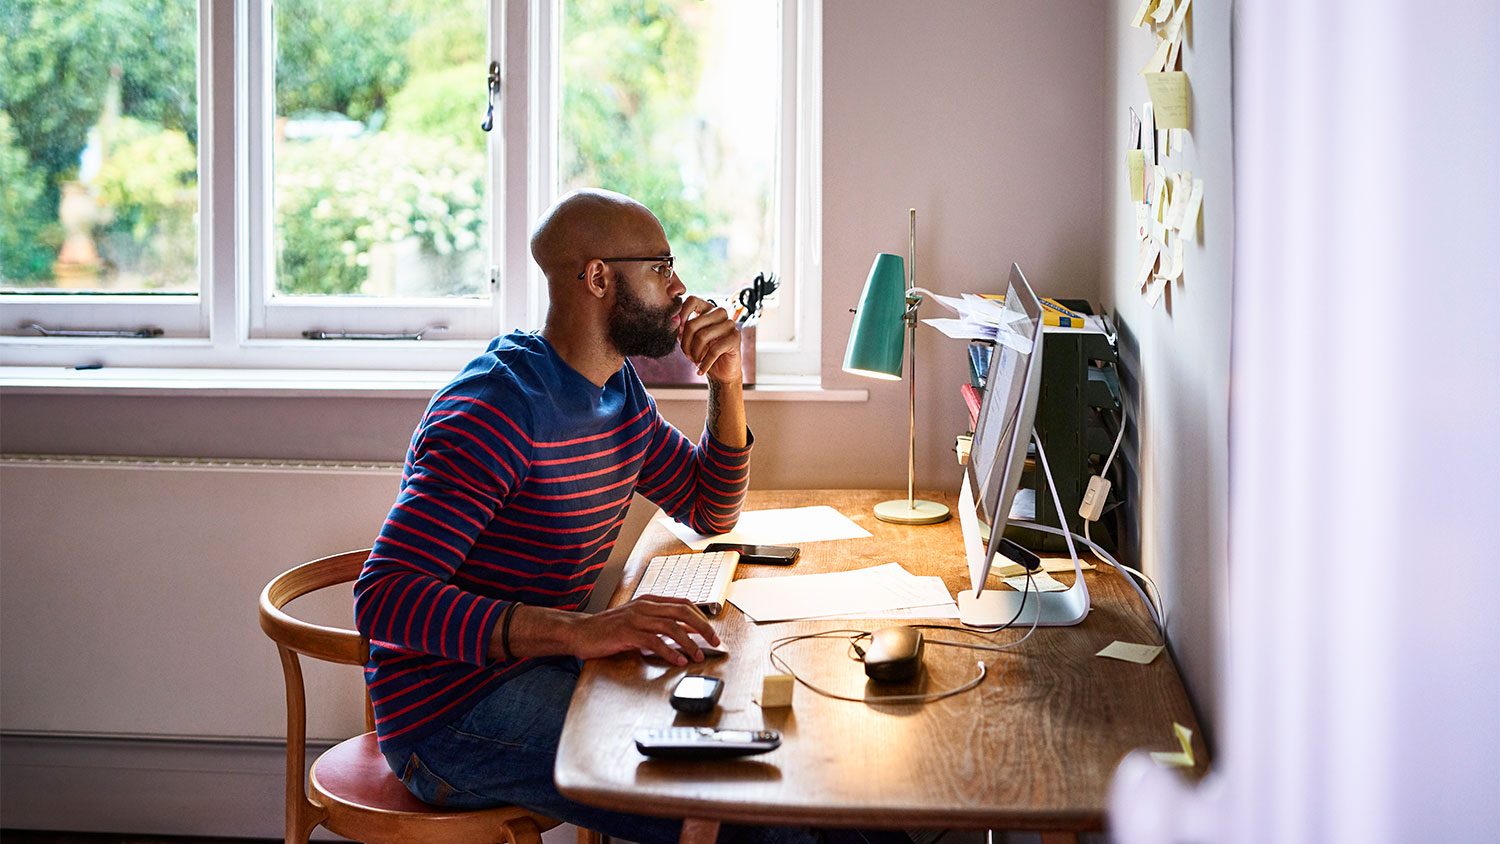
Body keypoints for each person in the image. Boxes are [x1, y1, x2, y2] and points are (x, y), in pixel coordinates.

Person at [353, 188, 806, 844]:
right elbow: (383, 600)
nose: (680, 289)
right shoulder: (495, 411)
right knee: (751, 810)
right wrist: (584, 633)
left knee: (765, 762)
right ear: (598, 277)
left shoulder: (616, 391)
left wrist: (727, 379)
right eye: (660, 268)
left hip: (540, 671)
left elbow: (710, 509)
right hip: (449, 718)